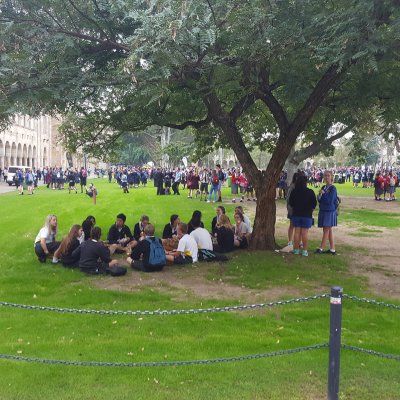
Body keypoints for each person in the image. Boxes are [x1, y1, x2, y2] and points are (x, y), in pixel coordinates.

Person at [288, 174, 317, 256]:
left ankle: (296, 249)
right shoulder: (310, 192)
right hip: (307, 215)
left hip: (296, 214)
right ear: (306, 182)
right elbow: (314, 204)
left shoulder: (294, 191)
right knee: (305, 233)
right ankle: (304, 251)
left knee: (297, 232)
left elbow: (291, 203)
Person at [315, 170, 339, 255]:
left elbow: (330, 200)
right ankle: (332, 249)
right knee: (329, 230)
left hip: (329, 211)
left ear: (331, 177)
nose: (326, 177)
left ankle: (321, 248)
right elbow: (319, 200)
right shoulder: (323, 187)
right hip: (323, 210)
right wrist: (320, 195)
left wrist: (323, 194)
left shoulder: (333, 188)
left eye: (328, 175)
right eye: (325, 175)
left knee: (326, 230)